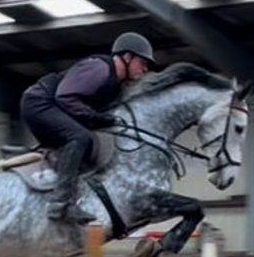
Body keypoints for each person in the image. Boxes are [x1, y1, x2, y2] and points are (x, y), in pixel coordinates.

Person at [19, 32, 156, 222]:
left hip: (54, 106)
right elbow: (65, 97)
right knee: (80, 138)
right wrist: (96, 118)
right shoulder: (99, 68)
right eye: (143, 62)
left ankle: (72, 196)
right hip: (39, 103)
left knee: (93, 142)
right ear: (127, 57)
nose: (145, 68)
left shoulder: (116, 85)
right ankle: (60, 205)